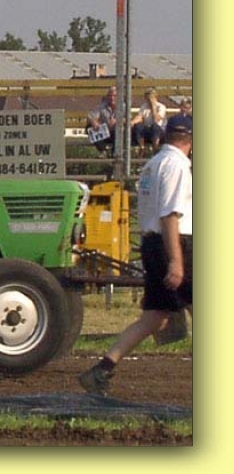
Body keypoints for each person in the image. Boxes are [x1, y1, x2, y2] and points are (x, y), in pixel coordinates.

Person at [78, 114, 192, 396]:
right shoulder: (177, 166)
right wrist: (176, 261)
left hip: (152, 242)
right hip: (174, 244)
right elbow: (170, 215)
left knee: (154, 316)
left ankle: (102, 369)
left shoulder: (153, 164)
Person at [130, 88, 167, 157]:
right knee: (139, 126)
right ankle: (142, 148)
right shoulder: (144, 106)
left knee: (154, 127)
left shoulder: (161, 106)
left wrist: (153, 107)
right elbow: (140, 117)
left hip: (159, 131)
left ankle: (155, 149)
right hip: (147, 129)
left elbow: (156, 119)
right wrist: (133, 122)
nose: (149, 100)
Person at [85, 86, 118, 156]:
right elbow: (91, 116)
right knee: (89, 127)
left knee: (120, 129)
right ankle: (103, 151)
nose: (112, 98)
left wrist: (117, 121)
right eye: (110, 96)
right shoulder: (102, 107)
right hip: (104, 133)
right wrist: (94, 122)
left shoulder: (123, 107)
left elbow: (128, 120)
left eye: (114, 96)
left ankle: (116, 153)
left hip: (117, 134)